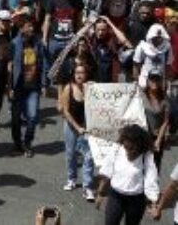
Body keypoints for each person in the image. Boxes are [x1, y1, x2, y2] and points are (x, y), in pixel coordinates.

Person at [95, 124, 159, 225]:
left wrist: (153, 204)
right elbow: (107, 171)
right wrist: (100, 193)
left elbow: (150, 179)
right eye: (126, 147)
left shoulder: (146, 156)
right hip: (115, 196)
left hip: (136, 199)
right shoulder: (116, 149)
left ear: (140, 146)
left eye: (132, 148)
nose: (128, 151)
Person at [8, 15, 47, 156]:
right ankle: (17, 144)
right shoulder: (14, 43)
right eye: (28, 26)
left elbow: (43, 65)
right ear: (22, 28)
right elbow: (10, 68)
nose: (31, 28)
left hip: (33, 87)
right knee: (15, 118)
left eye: (32, 26)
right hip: (17, 87)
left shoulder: (38, 43)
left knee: (32, 116)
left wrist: (43, 84)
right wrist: (10, 88)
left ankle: (27, 143)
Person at [61, 63, 96, 201]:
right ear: (73, 75)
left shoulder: (90, 89)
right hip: (71, 126)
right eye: (77, 73)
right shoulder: (68, 88)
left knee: (89, 156)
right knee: (71, 154)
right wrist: (77, 127)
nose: (79, 75)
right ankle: (71, 178)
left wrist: (95, 88)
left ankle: (87, 187)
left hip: (86, 127)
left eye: (82, 72)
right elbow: (65, 112)